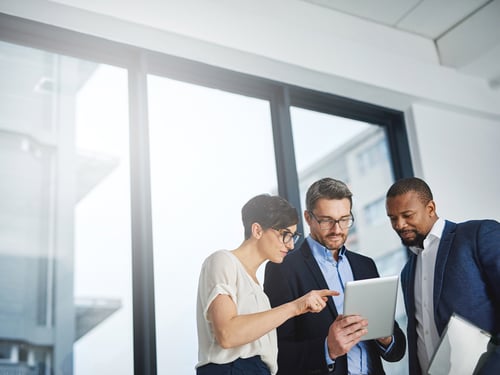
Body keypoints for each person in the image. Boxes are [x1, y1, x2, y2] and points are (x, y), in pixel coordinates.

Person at [264, 178, 406, 375]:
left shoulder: (365, 266)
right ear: (308, 218)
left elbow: (397, 350)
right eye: (327, 221)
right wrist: (327, 349)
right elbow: (276, 353)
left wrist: (386, 339)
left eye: (344, 220)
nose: (337, 229)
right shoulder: (283, 269)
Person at [196, 193, 339, 375]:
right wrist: (296, 307)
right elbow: (227, 334)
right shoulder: (222, 260)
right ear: (257, 230)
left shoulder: (259, 291)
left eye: (293, 236)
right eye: (285, 234)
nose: (290, 245)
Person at [385, 177, 500, 375]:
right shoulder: (407, 272)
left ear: (430, 208)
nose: (399, 225)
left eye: (407, 215)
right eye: (393, 218)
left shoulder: (477, 235)